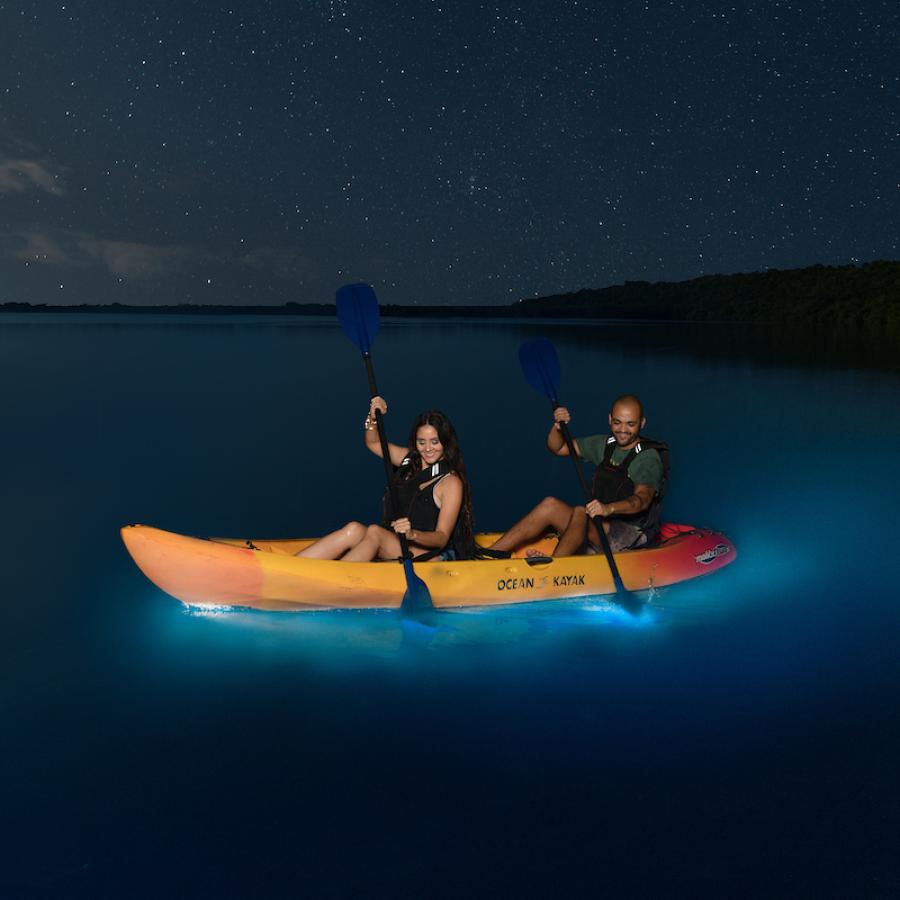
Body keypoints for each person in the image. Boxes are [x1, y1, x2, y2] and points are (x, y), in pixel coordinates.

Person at [296, 396, 474, 562]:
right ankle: (291, 568)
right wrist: (372, 418)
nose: (428, 448)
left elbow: (442, 537)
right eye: (422, 442)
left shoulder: (451, 482)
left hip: (430, 557)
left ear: (445, 442)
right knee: (354, 529)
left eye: (434, 442)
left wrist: (412, 534)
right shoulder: (409, 460)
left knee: (375, 532)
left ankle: (330, 582)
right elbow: (373, 443)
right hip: (395, 544)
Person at [489, 394, 665, 557]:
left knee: (581, 512)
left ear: (642, 423)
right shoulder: (605, 444)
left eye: (630, 424)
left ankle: (555, 567)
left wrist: (608, 508)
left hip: (630, 535)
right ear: (610, 419)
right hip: (599, 526)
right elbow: (558, 448)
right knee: (550, 504)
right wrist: (558, 428)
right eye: (617, 422)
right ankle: (491, 554)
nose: (623, 430)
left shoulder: (647, 458)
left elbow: (642, 500)